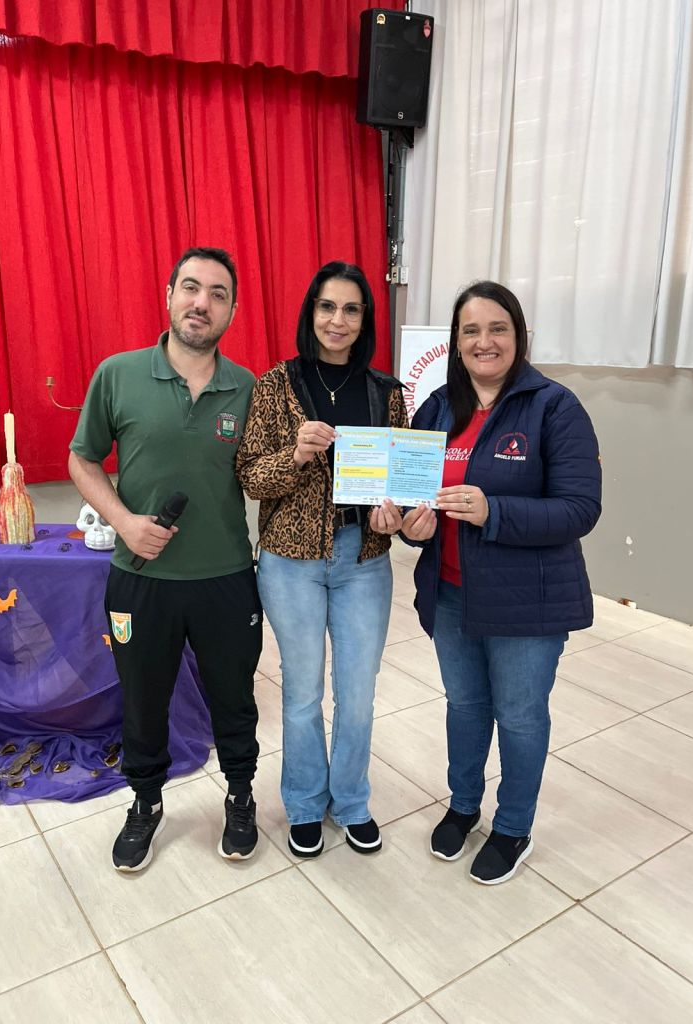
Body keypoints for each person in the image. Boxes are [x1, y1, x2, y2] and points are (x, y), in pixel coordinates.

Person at [399, 280, 601, 884]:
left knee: (518, 716)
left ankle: (513, 826)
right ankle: (463, 806)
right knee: (464, 707)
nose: (484, 342)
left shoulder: (554, 407)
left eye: (497, 329)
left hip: (527, 602)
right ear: (455, 341)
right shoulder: (437, 408)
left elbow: (580, 509)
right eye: (471, 330)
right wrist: (411, 524)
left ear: (519, 336)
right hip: (451, 593)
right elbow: (416, 499)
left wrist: (495, 512)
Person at [69, 247, 262, 872]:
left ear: (232, 310)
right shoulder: (118, 374)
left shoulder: (249, 388)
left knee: (234, 697)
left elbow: (265, 474)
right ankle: (146, 803)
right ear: (170, 295)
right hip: (141, 580)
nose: (202, 303)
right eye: (191, 288)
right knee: (143, 699)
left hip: (226, 579)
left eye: (218, 294)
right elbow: (82, 458)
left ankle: (240, 794)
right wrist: (123, 522)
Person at [236, 261, 406, 858]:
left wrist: (394, 514)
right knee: (303, 692)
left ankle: (352, 800)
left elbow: (401, 484)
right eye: (328, 306)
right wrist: (296, 455)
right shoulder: (274, 384)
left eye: (352, 309)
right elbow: (251, 476)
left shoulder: (387, 392)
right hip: (291, 562)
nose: (338, 320)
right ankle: (306, 803)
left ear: (365, 320)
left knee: (357, 694)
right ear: (311, 312)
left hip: (365, 558)